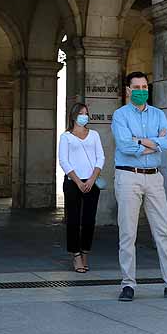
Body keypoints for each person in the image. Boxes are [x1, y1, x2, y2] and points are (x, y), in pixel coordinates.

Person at [110, 72, 167, 302]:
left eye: (144, 86)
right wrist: (151, 144)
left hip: (154, 177)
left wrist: (139, 140)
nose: (141, 90)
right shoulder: (120, 115)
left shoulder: (159, 114)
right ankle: (128, 284)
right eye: (136, 87)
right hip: (128, 176)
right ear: (128, 90)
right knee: (128, 234)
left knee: (163, 231)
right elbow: (124, 145)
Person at [57, 102, 104, 273]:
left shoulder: (94, 135)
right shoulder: (66, 137)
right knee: (74, 220)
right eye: (81, 113)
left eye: (86, 113)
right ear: (74, 116)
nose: (84, 116)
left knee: (89, 221)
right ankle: (75, 255)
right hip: (73, 182)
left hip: (92, 182)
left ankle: (85, 252)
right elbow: (63, 160)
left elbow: (101, 157)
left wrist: (92, 179)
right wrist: (78, 181)